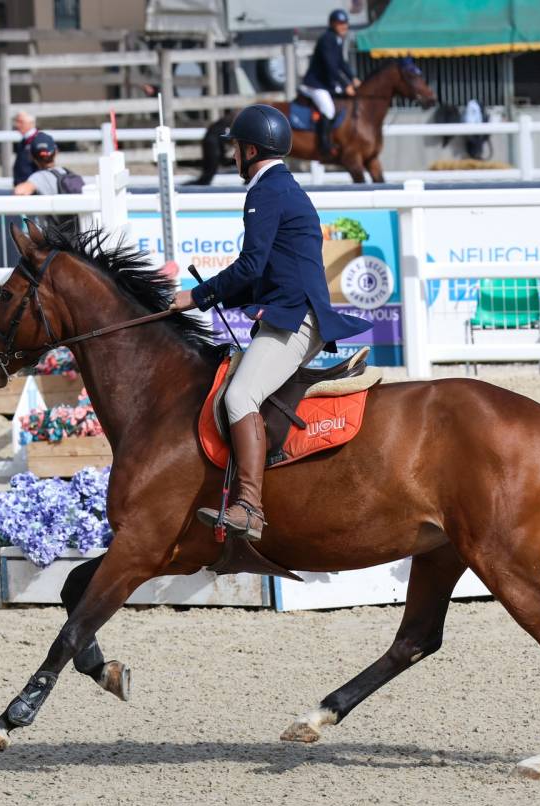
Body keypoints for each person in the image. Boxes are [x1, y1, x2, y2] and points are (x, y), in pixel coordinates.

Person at [170, 105, 371, 541]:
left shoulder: (266, 192)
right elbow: (264, 272)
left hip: (296, 317)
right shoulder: (281, 186)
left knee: (240, 395)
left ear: (250, 149)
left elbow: (248, 267)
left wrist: (195, 297)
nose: (233, 157)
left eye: (236, 149)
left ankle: (250, 508)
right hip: (292, 307)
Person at [299, 9, 361, 157]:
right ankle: (324, 145)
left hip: (326, 83)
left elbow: (341, 63)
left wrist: (353, 78)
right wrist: (346, 86)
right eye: (340, 23)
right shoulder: (327, 39)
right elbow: (331, 66)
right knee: (328, 109)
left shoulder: (337, 39)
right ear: (332, 24)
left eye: (345, 23)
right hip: (315, 84)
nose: (343, 26)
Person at [13, 132, 84, 232]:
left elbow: (20, 191)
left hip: (58, 240)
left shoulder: (38, 177)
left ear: (31, 156)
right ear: (56, 152)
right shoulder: (66, 172)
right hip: (79, 235)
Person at [11, 111, 38, 183]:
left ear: (31, 123)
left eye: (21, 122)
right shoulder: (24, 141)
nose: (17, 125)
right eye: (16, 122)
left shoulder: (38, 140)